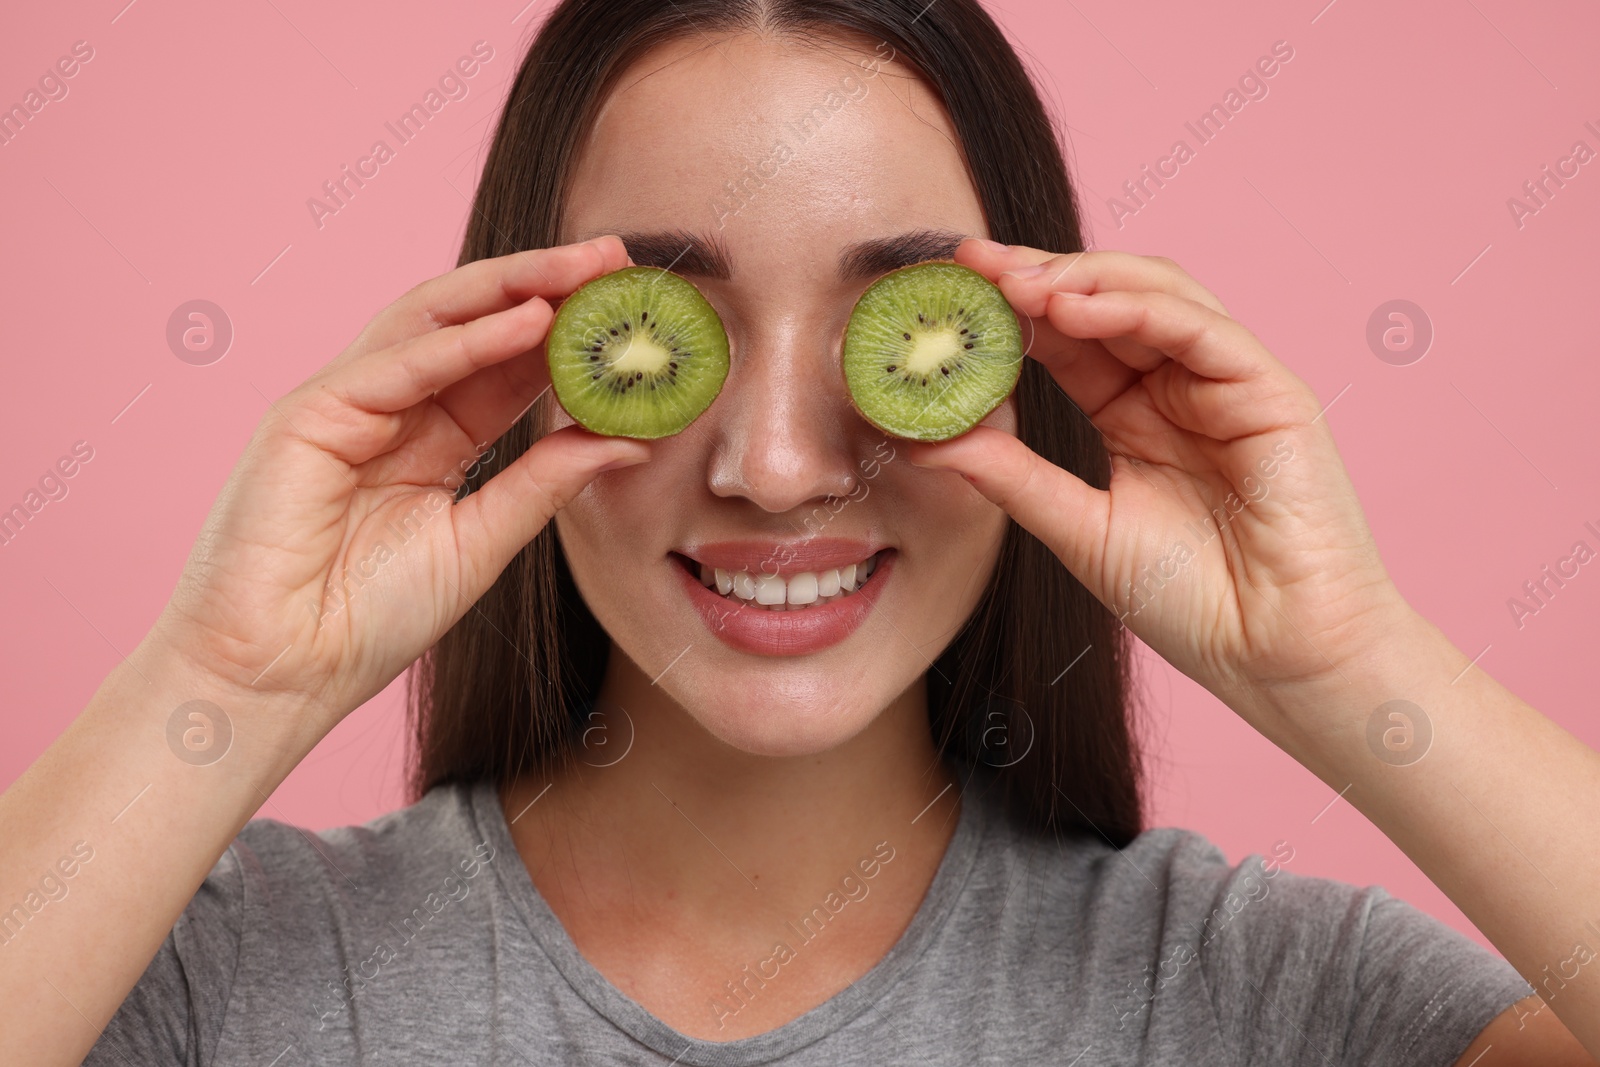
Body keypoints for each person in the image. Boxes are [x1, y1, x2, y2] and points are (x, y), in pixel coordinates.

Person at [2, 0, 1596, 1063]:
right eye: (662, 328)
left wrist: (1347, 661)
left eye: (893, 328)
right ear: (524, 365)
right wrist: (224, 679)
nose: (773, 466)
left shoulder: (1246, 997)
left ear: (1026, 360)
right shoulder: (231, 983)